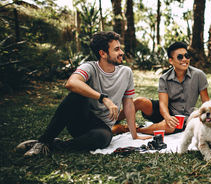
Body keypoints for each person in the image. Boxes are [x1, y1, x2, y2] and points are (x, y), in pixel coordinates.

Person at [17, 31, 150, 157]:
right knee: (76, 94)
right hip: (81, 120)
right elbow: (71, 83)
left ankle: (56, 145)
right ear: (103, 53)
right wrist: (103, 98)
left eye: (120, 48)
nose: (121, 52)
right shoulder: (90, 67)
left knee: (104, 138)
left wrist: (135, 135)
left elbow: (128, 103)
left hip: (101, 128)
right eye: (116, 49)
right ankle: (43, 141)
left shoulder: (126, 72)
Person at [132, 41, 210, 135]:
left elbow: (206, 102)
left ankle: (135, 130)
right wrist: (167, 117)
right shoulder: (164, 78)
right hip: (165, 112)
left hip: (183, 118)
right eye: (180, 57)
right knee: (139, 101)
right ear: (171, 60)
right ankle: (114, 121)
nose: (185, 59)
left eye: (187, 56)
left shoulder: (199, 75)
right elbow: (163, 104)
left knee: (170, 126)